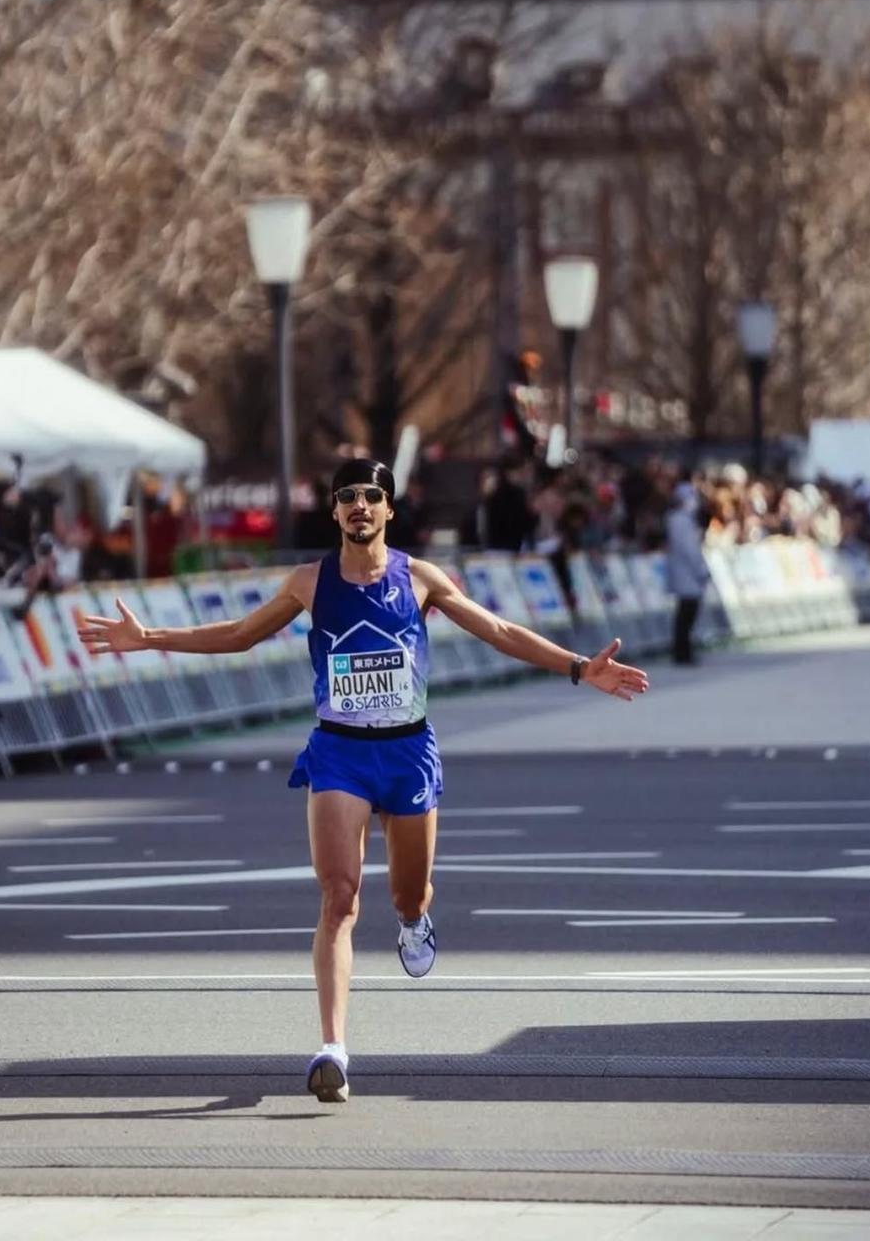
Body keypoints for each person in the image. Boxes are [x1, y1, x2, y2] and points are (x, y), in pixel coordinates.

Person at [78, 457, 649, 1105]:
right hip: (340, 754)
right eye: (346, 495)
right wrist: (149, 636)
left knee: (408, 892)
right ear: (333, 511)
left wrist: (579, 668)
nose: (359, 505)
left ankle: (414, 920)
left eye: (371, 496)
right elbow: (240, 635)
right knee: (339, 898)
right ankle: (333, 1050)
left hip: (407, 753)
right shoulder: (310, 582)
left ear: (388, 509)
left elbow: (498, 630)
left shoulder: (421, 578)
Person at [665, 479, 710, 666]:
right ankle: (682, 651)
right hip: (687, 574)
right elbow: (689, 549)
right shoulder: (680, 520)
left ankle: (684, 650)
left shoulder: (683, 520)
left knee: (686, 614)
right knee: (686, 614)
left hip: (685, 573)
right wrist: (700, 569)